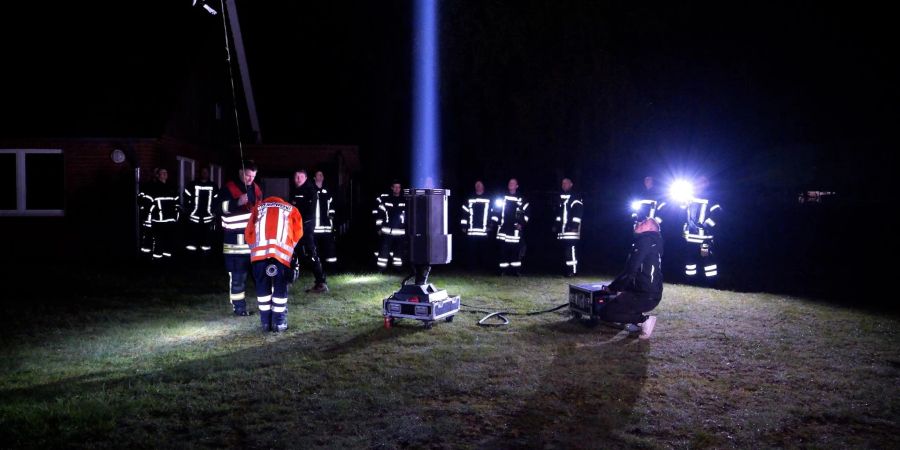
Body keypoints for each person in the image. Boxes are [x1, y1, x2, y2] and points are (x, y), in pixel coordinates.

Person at [245, 195, 303, 332]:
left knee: (262, 289)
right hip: (281, 255)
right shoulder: (291, 209)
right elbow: (298, 232)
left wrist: (255, 249)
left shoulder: (258, 208)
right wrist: (290, 248)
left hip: (259, 256)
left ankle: (265, 323)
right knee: (280, 288)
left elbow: (248, 232)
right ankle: (279, 323)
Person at [597, 217, 663, 339]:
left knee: (606, 313)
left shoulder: (645, 240)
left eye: (643, 223)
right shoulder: (651, 242)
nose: (638, 223)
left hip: (645, 294)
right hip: (649, 293)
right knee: (618, 304)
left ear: (650, 229)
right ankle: (636, 322)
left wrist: (613, 288)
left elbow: (631, 270)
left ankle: (643, 320)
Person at [218, 160, 262, 316]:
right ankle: (239, 309)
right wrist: (237, 202)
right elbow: (218, 208)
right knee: (237, 278)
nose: (250, 179)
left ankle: (264, 306)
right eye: (248, 175)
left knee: (260, 276)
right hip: (234, 244)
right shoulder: (228, 188)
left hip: (253, 244)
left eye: (253, 176)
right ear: (240, 173)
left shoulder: (256, 189)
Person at [289, 170, 328, 293]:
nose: (298, 179)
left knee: (311, 254)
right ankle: (288, 280)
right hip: (295, 228)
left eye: (301, 176)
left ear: (306, 178)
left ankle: (321, 283)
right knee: (293, 253)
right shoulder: (295, 191)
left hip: (305, 229)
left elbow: (309, 213)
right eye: (296, 177)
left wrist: (303, 227)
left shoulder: (310, 191)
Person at [680, 176, 721, 283]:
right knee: (690, 260)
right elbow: (681, 210)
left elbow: (717, 213)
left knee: (707, 259)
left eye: (702, 182)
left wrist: (706, 224)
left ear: (707, 184)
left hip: (704, 237)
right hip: (690, 237)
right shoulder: (689, 197)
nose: (699, 184)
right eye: (698, 182)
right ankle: (689, 282)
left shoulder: (711, 196)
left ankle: (712, 283)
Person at [491, 178, 529, 276]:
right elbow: (495, 211)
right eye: (509, 183)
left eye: (513, 183)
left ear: (517, 186)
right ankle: (502, 271)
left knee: (515, 251)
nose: (511, 184)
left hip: (515, 229)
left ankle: (516, 271)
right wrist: (495, 223)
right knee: (503, 250)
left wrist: (521, 224)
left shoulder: (521, 199)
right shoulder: (502, 197)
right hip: (503, 228)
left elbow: (526, 214)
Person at [146, 168, 180, 261]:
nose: (165, 174)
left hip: (170, 221)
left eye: (166, 172)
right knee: (158, 243)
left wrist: (176, 215)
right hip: (158, 221)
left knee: (169, 242)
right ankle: (157, 263)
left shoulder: (172, 187)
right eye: (162, 173)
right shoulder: (153, 188)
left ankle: (167, 263)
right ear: (158, 175)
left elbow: (177, 202)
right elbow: (148, 203)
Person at [182, 167, 217, 254]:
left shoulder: (213, 185)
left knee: (206, 240)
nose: (205, 173)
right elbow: (186, 197)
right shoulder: (192, 184)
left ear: (208, 174)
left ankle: (205, 259)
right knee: (193, 239)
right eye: (203, 172)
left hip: (208, 218)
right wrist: (189, 210)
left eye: (206, 172)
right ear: (200, 173)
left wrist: (214, 211)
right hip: (194, 218)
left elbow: (217, 200)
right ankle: (192, 257)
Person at [374, 180, 406, 271]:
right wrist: (379, 228)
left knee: (398, 252)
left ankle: (397, 270)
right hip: (387, 231)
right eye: (395, 187)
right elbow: (379, 215)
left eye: (398, 187)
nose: (397, 189)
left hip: (400, 232)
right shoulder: (386, 200)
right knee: (384, 251)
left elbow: (407, 216)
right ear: (392, 188)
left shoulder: (404, 200)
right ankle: (381, 269)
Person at [459, 180, 492, 270]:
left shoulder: (489, 199)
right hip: (471, 230)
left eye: (480, 185)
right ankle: (471, 267)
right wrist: (464, 226)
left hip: (484, 230)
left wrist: (490, 225)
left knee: (484, 250)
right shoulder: (470, 198)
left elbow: (493, 213)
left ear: (483, 187)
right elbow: (464, 213)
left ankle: (484, 268)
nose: (478, 186)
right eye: (476, 185)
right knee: (471, 250)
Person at [554, 177, 583, 277]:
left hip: (571, 230)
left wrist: (574, 226)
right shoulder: (561, 198)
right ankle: (566, 270)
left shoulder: (575, 197)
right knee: (565, 251)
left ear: (571, 184)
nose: (564, 185)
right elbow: (559, 214)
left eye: (566, 183)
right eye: (562, 183)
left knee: (571, 250)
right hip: (563, 229)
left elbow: (578, 213)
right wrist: (556, 225)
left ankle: (573, 271)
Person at [312, 171, 338, 266]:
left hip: (326, 226)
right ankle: (316, 267)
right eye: (319, 174)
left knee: (329, 248)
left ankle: (332, 267)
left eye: (322, 174)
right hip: (314, 227)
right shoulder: (311, 191)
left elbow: (332, 205)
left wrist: (331, 215)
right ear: (314, 177)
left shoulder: (327, 191)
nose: (321, 176)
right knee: (315, 249)